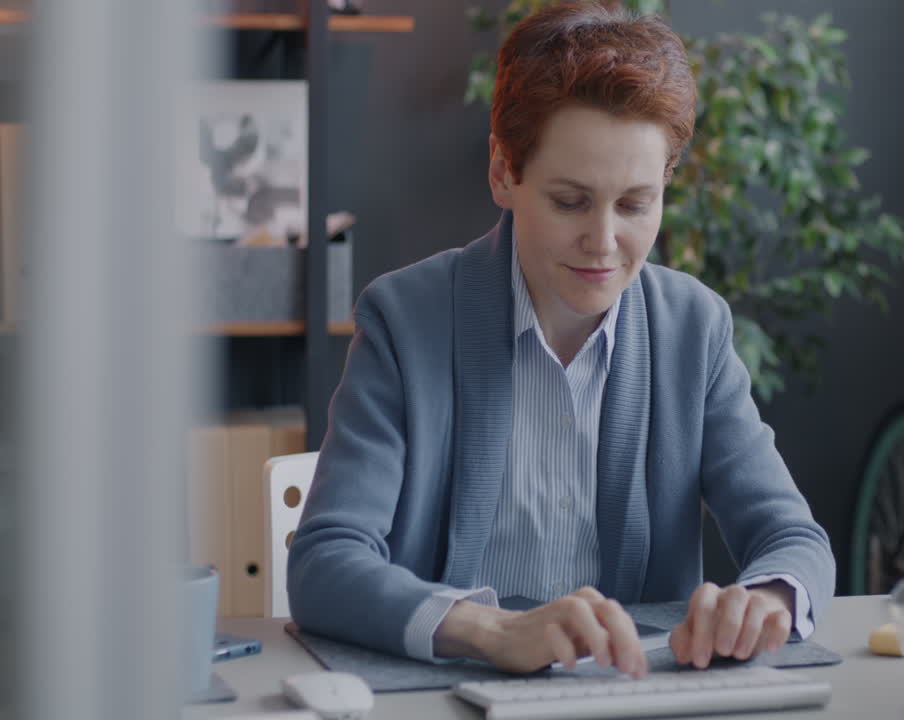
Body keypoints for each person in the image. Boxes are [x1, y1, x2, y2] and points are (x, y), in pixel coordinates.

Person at [288, 1, 835, 679]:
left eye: (634, 204)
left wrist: (767, 599)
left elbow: (792, 538)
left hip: (631, 697)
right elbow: (325, 562)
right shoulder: (406, 322)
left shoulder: (694, 329)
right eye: (571, 201)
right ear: (502, 172)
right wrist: (491, 630)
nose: (604, 244)